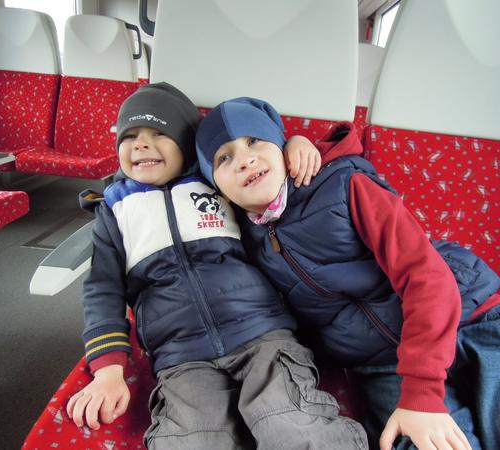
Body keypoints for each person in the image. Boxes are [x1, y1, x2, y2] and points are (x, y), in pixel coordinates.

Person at [195, 96, 500, 450]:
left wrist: (423, 393)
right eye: (224, 158)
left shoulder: (343, 184)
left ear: (282, 148)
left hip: (471, 320)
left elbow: (426, 277)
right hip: (383, 361)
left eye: (254, 141)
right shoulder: (243, 241)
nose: (244, 160)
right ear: (218, 190)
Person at [65, 83, 368, 450]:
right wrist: (108, 370)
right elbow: (103, 289)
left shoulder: (219, 181)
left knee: (289, 424)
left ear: (186, 143)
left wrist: (296, 144)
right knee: (191, 440)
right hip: (180, 354)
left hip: (262, 333)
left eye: (158, 133)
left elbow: (267, 181)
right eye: (129, 137)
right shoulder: (114, 211)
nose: (141, 145)